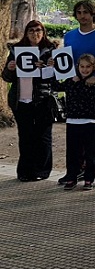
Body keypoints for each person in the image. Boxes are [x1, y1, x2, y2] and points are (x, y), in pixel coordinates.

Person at [63, 0, 95, 186]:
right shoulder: (69, 36)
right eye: (79, 12)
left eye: (86, 12)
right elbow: (67, 63)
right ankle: (78, 169)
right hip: (76, 90)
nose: (82, 15)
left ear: (93, 14)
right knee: (77, 130)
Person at [2, 20, 57, 182]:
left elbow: (56, 79)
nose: (35, 34)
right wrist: (10, 68)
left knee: (43, 136)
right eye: (31, 31)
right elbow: (6, 77)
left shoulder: (50, 51)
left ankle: (42, 170)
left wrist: (47, 68)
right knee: (25, 137)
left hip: (43, 100)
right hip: (21, 100)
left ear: (43, 32)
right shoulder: (16, 50)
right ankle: (25, 171)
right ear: (26, 33)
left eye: (38, 30)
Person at [54, 54, 95, 191]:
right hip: (72, 121)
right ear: (77, 67)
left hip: (90, 121)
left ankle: (89, 178)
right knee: (72, 152)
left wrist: (87, 80)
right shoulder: (71, 81)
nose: (85, 69)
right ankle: (71, 177)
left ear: (94, 67)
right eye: (82, 66)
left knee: (90, 152)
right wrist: (54, 69)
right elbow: (56, 86)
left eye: (88, 67)